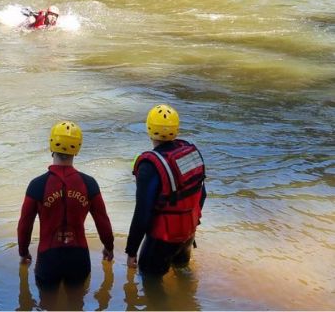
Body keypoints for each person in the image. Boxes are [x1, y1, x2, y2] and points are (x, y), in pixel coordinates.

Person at [18, 121, 114, 295]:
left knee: (46, 305)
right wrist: (109, 246)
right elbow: (102, 220)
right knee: (77, 305)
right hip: (79, 258)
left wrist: (23, 252)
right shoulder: (89, 184)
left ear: (51, 145)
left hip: (48, 259)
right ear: (77, 149)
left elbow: (24, 225)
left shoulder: (37, 185)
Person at [125, 104, 207, 276]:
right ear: (176, 129)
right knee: (183, 273)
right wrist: (190, 222)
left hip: (162, 239)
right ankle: (190, 302)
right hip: (188, 233)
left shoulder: (149, 166)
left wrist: (131, 250)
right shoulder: (190, 152)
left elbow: (142, 213)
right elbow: (201, 193)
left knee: (150, 285)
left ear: (149, 129)